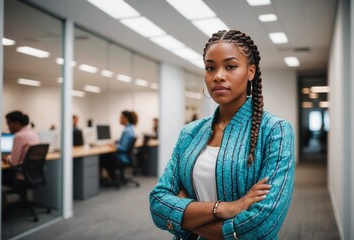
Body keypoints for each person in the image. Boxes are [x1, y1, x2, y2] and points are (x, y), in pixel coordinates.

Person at [149, 29, 295, 240]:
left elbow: (262, 224)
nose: (218, 76)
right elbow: (157, 204)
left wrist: (185, 216)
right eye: (210, 68)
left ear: (251, 72)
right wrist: (223, 208)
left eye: (231, 66)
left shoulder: (275, 131)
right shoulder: (190, 133)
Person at [2, 111, 39, 184]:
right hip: (33, 175)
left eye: (9, 124)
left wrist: (6, 158)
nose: (8, 127)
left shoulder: (19, 136)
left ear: (17, 123)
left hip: (21, 176)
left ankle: (1, 195)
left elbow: (14, 163)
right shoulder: (34, 134)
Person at [100, 111, 136, 186]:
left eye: (121, 117)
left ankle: (112, 178)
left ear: (125, 119)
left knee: (102, 157)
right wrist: (116, 143)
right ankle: (113, 177)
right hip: (126, 157)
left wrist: (114, 146)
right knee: (106, 156)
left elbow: (123, 148)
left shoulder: (127, 131)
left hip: (122, 157)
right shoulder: (130, 129)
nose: (119, 119)